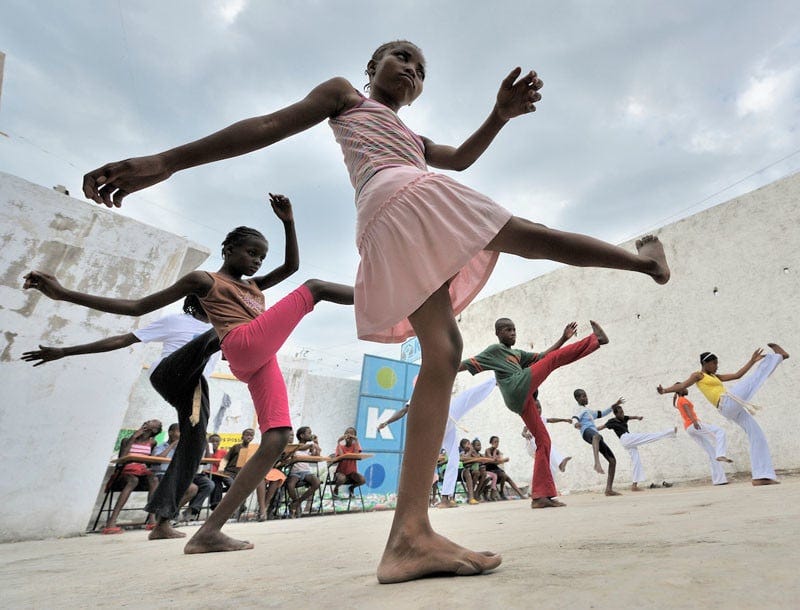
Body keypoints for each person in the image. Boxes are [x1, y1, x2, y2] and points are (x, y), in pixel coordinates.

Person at [81, 40, 671, 582]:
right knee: (529, 234)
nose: (412, 70)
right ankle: (644, 262)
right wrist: (166, 162)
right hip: (403, 197)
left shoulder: (412, 139)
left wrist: (499, 114)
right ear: (372, 68)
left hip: (388, 221)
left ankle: (408, 537)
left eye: (420, 69)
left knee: (443, 350)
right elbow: (266, 126)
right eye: (401, 56)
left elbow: (460, 158)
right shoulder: (347, 97)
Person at [23, 193, 354, 554]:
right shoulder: (206, 281)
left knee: (276, 437)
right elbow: (136, 306)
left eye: (261, 256)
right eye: (250, 253)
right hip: (230, 348)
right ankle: (399, 298)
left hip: (257, 359)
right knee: (316, 288)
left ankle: (207, 532)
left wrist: (289, 221)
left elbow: (290, 267)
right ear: (228, 249)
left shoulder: (255, 288)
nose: (257, 261)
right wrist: (62, 295)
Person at [22, 294, 222, 540]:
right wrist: (65, 351)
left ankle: (162, 523)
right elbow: (123, 339)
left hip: (194, 389)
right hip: (169, 374)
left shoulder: (219, 331)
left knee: (194, 446)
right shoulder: (177, 321)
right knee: (224, 330)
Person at [460, 319, 609, 508]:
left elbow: (544, 355)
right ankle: (596, 340)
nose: (513, 333)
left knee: (544, 441)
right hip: (515, 387)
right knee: (552, 361)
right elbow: (466, 364)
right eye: (508, 330)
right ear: (498, 333)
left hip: (523, 399)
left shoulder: (517, 354)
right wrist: (438, 370)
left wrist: (563, 338)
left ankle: (540, 496)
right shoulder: (494, 351)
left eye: (514, 329)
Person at [657, 344, 789, 485]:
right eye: (714, 363)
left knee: (757, 434)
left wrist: (752, 361)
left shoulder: (715, 376)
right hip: (726, 403)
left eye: (717, 363)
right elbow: (681, 386)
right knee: (752, 381)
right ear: (705, 363)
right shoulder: (698, 375)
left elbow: (738, 375)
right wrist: (665, 390)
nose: (716, 366)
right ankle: (779, 357)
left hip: (731, 408)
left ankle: (761, 476)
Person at [102, 419, 161, 534]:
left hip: (142, 472)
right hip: (125, 472)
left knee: (154, 479)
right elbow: (123, 458)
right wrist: (133, 437)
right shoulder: (127, 440)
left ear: (155, 430)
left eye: (153, 422)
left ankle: (152, 519)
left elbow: (148, 462)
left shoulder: (152, 443)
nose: (149, 421)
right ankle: (111, 522)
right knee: (133, 480)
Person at [600, 405, 676, 491]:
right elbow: (601, 427)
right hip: (626, 438)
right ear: (615, 414)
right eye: (620, 413)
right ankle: (670, 432)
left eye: (623, 412)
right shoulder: (612, 421)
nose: (622, 414)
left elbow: (631, 417)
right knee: (647, 436)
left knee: (636, 461)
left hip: (629, 441)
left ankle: (634, 485)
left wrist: (638, 417)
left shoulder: (624, 418)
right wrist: (590, 429)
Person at [671, 387, 731, 486]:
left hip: (688, 428)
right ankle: (721, 454)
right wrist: (694, 422)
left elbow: (675, 406)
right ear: (680, 390)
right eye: (684, 388)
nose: (687, 389)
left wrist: (675, 395)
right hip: (694, 424)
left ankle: (719, 480)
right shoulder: (683, 400)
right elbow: (687, 410)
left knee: (711, 452)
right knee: (720, 432)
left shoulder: (678, 401)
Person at [572, 389, 620, 496]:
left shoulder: (588, 411)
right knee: (597, 436)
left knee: (612, 460)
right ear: (577, 399)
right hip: (586, 432)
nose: (586, 398)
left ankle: (608, 489)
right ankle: (597, 463)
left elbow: (601, 413)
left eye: (586, 396)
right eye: (583, 396)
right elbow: (574, 418)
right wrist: (576, 425)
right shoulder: (578, 409)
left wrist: (614, 406)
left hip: (595, 435)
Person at [521, 392, 573, 484]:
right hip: (532, 445)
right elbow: (523, 431)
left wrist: (564, 420)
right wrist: (526, 435)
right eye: (536, 408)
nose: (539, 410)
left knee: (548, 456)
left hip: (540, 444)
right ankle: (559, 464)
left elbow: (552, 420)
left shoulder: (542, 419)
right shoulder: (531, 419)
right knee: (547, 449)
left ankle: (558, 466)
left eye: (540, 407)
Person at [285, 426, 322, 517]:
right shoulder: (295, 447)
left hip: (306, 472)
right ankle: (295, 502)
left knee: (316, 482)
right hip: (295, 472)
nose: (310, 435)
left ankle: (297, 503)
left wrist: (316, 444)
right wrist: (311, 445)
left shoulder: (310, 447)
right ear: (302, 435)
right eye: (308, 433)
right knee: (290, 485)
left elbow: (316, 457)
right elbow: (295, 453)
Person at [333, 427, 366, 496]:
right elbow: (342, 456)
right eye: (347, 433)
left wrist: (356, 440)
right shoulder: (341, 446)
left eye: (351, 434)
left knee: (363, 480)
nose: (349, 435)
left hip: (352, 473)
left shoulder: (355, 446)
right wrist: (338, 442)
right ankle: (336, 488)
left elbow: (356, 454)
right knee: (342, 479)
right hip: (340, 472)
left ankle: (352, 487)